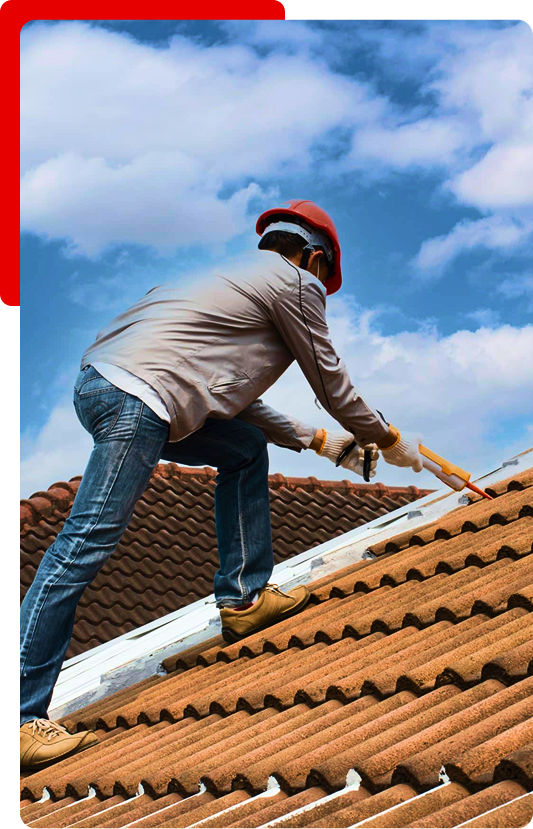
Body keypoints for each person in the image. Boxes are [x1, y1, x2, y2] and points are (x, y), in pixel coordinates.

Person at [20, 199, 423, 769]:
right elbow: (332, 383)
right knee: (82, 546)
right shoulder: (295, 284)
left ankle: (244, 596)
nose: (318, 290)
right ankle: (22, 718)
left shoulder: (222, 281)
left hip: (106, 386)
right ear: (313, 257)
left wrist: (320, 442)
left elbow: (230, 398)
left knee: (242, 449)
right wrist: (386, 437)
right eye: (320, 277)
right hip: (142, 399)